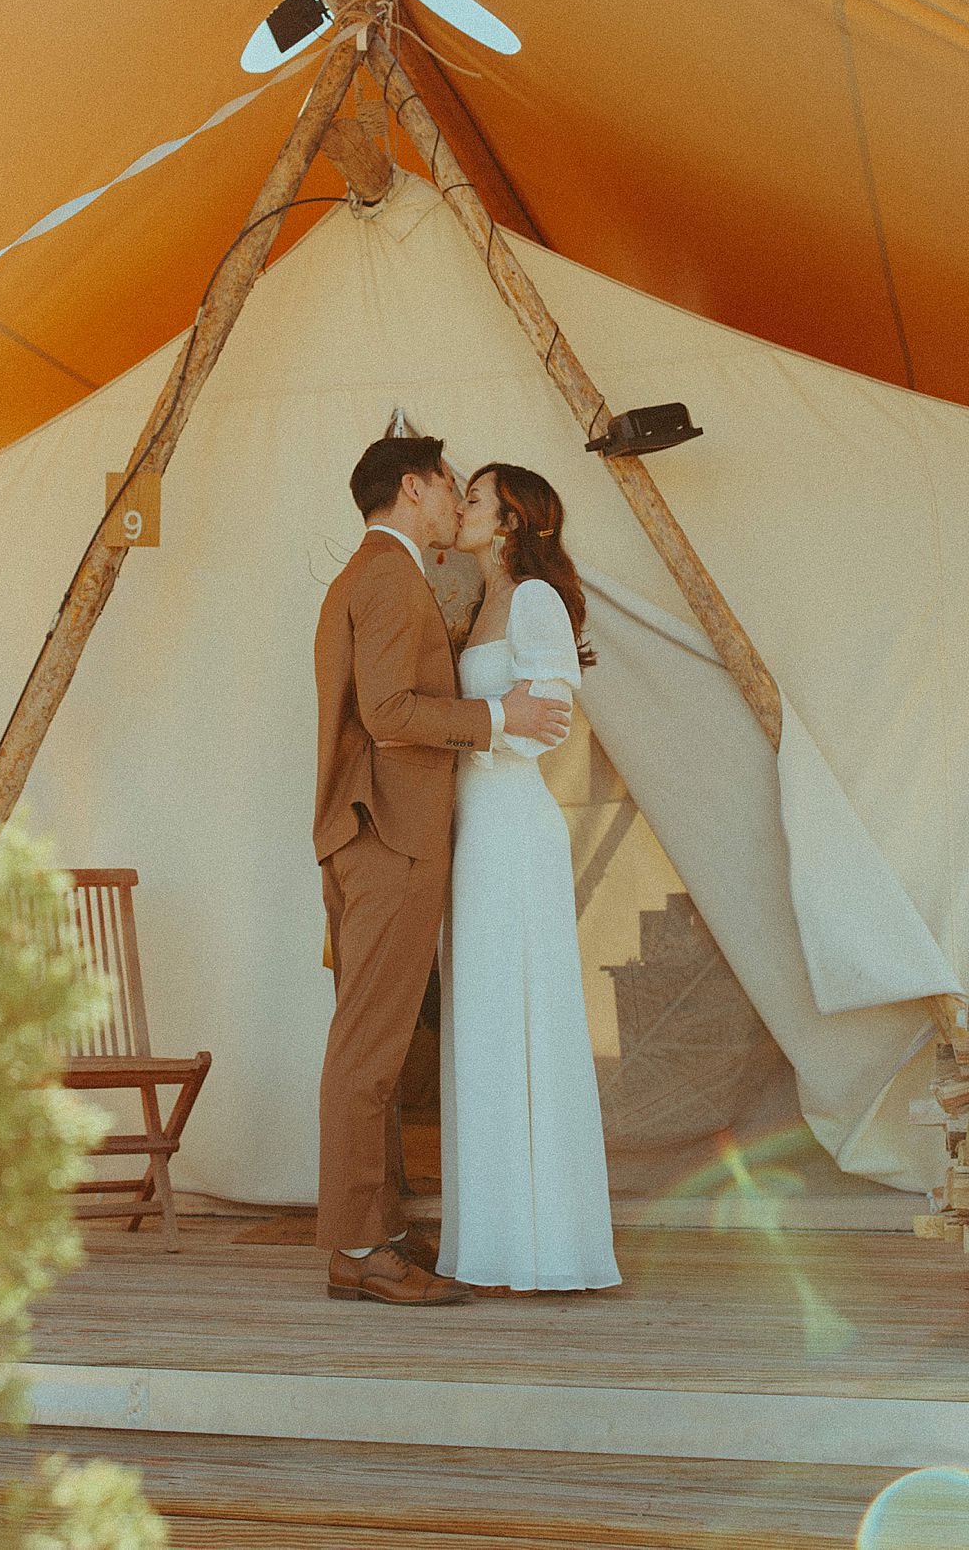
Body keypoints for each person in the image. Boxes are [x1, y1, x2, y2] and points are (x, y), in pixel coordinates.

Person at [312, 435, 571, 1305]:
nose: (457, 502)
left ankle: (375, 1231)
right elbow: (388, 713)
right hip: (390, 830)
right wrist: (499, 714)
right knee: (371, 1048)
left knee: (374, 1043)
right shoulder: (388, 576)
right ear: (413, 489)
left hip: (371, 828)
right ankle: (359, 1246)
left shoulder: (372, 576)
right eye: (450, 487)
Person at [438, 461, 621, 1294]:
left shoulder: (536, 603)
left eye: (472, 498)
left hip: (513, 825)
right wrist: (487, 720)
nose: (461, 509)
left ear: (509, 520)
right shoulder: (479, 604)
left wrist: (484, 727)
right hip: (474, 828)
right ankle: (493, 1239)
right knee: (479, 1020)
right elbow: (507, 712)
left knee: (521, 1016)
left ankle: (546, 1243)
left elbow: (546, 722)